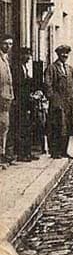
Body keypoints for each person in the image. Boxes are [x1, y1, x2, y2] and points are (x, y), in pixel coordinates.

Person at [43, 45, 73, 159]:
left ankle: (64, 151)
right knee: (56, 127)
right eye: (62, 53)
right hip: (57, 103)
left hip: (69, 103)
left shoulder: (69, 69)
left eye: (66, 53)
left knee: (68, 128)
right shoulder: (52, 68)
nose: (65, 55)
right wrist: (53, 99)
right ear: (58, 54)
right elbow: (48, 85)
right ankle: (55, 152)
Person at [10, 46, 37, 161]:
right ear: (20, 56)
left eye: (29, 55)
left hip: (26, 102)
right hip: (19, 103)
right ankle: (21, 154)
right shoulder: (16, 68)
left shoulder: (25, 67)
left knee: (28, 127)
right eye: (26, 55)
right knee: (21, 128)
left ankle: (28, 152)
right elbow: (18, 85)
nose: (28, 57)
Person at [0, 35, 13, 167]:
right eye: (5, 44)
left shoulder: (6, 59)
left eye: (10, 44)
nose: (8, 46)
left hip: (6, 99)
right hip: (1, 99)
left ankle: (2, 154)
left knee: (4, 127)